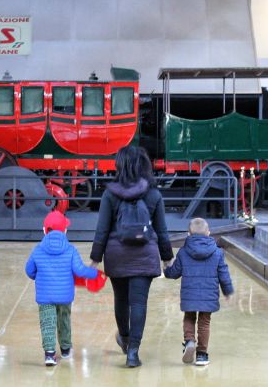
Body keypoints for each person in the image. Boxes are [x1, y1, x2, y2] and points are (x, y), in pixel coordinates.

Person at [90, 145, 173, 367]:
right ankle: (133, 353)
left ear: (121, 166)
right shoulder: (154, 194)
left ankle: (125, 340)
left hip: (117, 255)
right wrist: (167, 257)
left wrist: (95, 258)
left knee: (121, 300)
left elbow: (102, 229)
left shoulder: (110, 194)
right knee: (139, 302)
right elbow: (162, 231)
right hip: (145, 255)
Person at [25, 210, 98, 366]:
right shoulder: (71, 250)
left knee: (48, 322)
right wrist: (95, 274)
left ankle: (50, 355)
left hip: (45, 296)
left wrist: (37, 276)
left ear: (44, 230)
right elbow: (79, 270)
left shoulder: (37, 250)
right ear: (65, 230)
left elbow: (29, 270)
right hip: (65, 295)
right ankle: (65, 349)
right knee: (64, 319)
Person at [164, 217, 234, 366]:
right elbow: (224, 273)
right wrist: (228, 291)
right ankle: (201, 354)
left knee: (189, 317)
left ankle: (189, 341)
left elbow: (175, 273)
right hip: (209, 296)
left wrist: (167, 269)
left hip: (189, 295)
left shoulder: (183, 252)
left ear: (188, 234)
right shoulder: (217, 252)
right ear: (208, 233)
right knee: (204, 322)